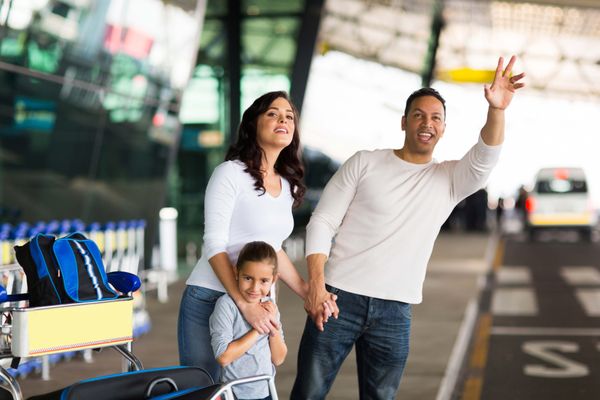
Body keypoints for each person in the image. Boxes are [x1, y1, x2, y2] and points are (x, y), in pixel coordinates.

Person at [291, 56, 525, 399]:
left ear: (443, 128)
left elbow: (485, 156)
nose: (426, 123)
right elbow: (323, 221)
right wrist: (316, 284)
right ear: (404, 122)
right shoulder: (364, 162)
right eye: (418, 115)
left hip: (395, 310)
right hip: (337, 297)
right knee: (308, 393)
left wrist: (497, 110)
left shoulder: (448, 179)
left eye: (435, 118)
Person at [177, 91, 337, 382]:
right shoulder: (229, 174)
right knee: (205, 389)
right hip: (211, 296)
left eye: (289, 117)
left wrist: (308, 292)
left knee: (250, 385)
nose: (283, 120)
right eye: (273, 114)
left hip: (258, 299)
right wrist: (245, 305)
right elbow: (214, 244)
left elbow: (273, 248)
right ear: (253, 125)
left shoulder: (287, 186)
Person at [209, 241, 285, 400]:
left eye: (264, 281)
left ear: (274, 279)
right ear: (236, 272)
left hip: (266, 390)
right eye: (248, 278)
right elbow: (223, 357)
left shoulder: (270, 307)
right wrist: (258, 329)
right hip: (234, 394)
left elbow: (278, 358)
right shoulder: (226, 305)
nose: (255, 288)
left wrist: (273, 328)